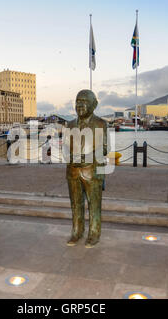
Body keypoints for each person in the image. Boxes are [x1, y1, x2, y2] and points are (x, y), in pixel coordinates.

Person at [64, 90, 108, 248]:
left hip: (93, 171)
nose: (79, 105)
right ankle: (77, 232)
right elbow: (65, 148)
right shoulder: (69, 125)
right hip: (73, 171)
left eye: (84, 101)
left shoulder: (101, 124)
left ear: (94, 105)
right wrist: (70, 158)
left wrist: (87, 158)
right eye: (77, 101)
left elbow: (104, 149)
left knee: (94, 204)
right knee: (75, 204)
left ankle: (94, 233)